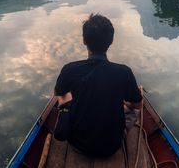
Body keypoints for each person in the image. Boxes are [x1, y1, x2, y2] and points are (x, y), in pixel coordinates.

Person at [53, 13, 142, 158]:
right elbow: (138, 105)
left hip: (78, 144)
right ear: (111, 41)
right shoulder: (124, 72)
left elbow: (58, 94)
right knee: (132, 110)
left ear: (84, 40)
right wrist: (124, 102)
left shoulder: (69, 69)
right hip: (112, 146)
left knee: (63, 98)